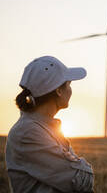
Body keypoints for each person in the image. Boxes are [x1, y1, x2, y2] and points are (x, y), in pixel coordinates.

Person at [5, 56, 94, 193]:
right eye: (69, 84)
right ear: (58, 91)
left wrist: (76, 165)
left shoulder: (43, 128)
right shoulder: (28, 132)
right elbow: (81, 179)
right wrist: (78, 165)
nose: (71, 90)